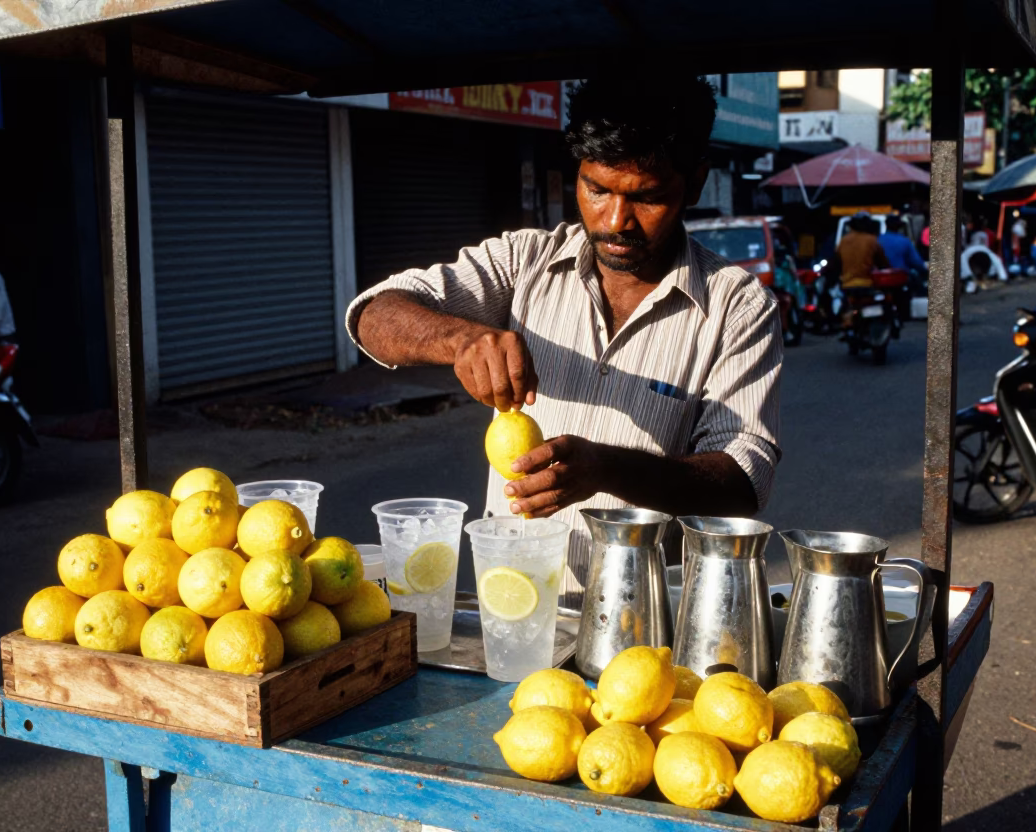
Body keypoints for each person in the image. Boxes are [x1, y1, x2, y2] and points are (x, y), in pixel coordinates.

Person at [347, 75, 781, 599]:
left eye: (648, 198)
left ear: (694, 182)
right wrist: (460, 339)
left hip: (649, 613)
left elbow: (742, 479)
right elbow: (373, 315)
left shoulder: (738, 305)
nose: (616, 221)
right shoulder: (522, 261)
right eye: (596, 190)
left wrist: (606, 469)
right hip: (514, 594)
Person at [832, 213, 889, 289]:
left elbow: (836, 262)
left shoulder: (844, 241)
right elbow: (882, 263)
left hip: (847, 285)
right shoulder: (871, 240)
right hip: (867, 284)